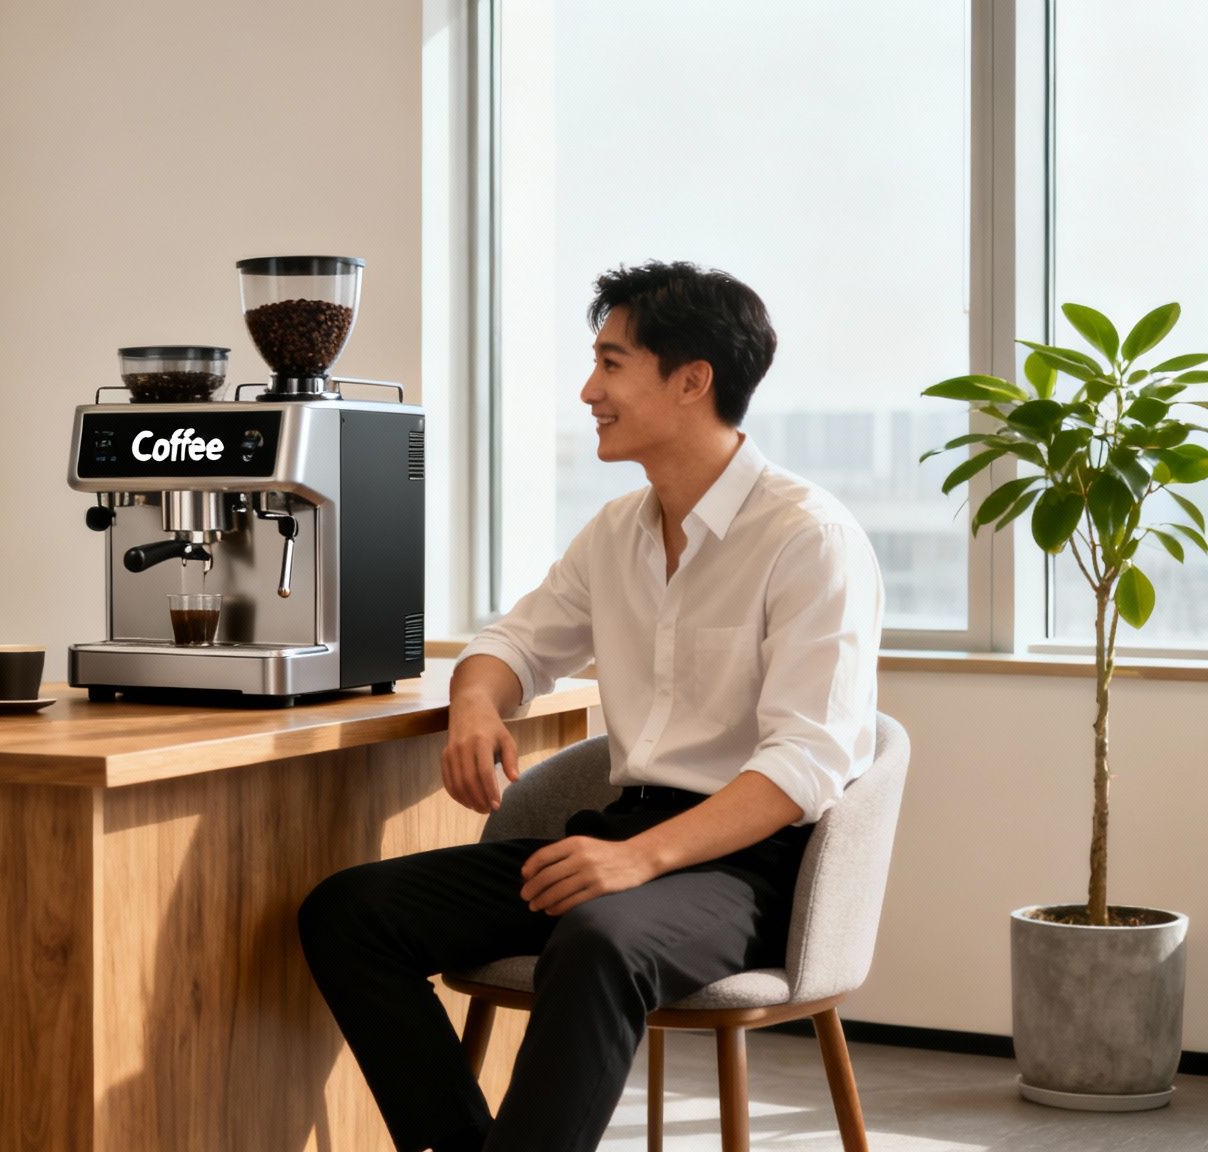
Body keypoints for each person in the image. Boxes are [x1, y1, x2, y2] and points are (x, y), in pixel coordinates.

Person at [299, 261, 882, 1152]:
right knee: (350, 912)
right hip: (623, 832)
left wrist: (640, 862)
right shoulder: (618, 531)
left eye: (611, 365)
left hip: (744, 862)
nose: (588, 390)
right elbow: (512, 645)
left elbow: (805, 765)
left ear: (693, 381)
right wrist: (476, 708)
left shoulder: (810, 538)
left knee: (599, 941)